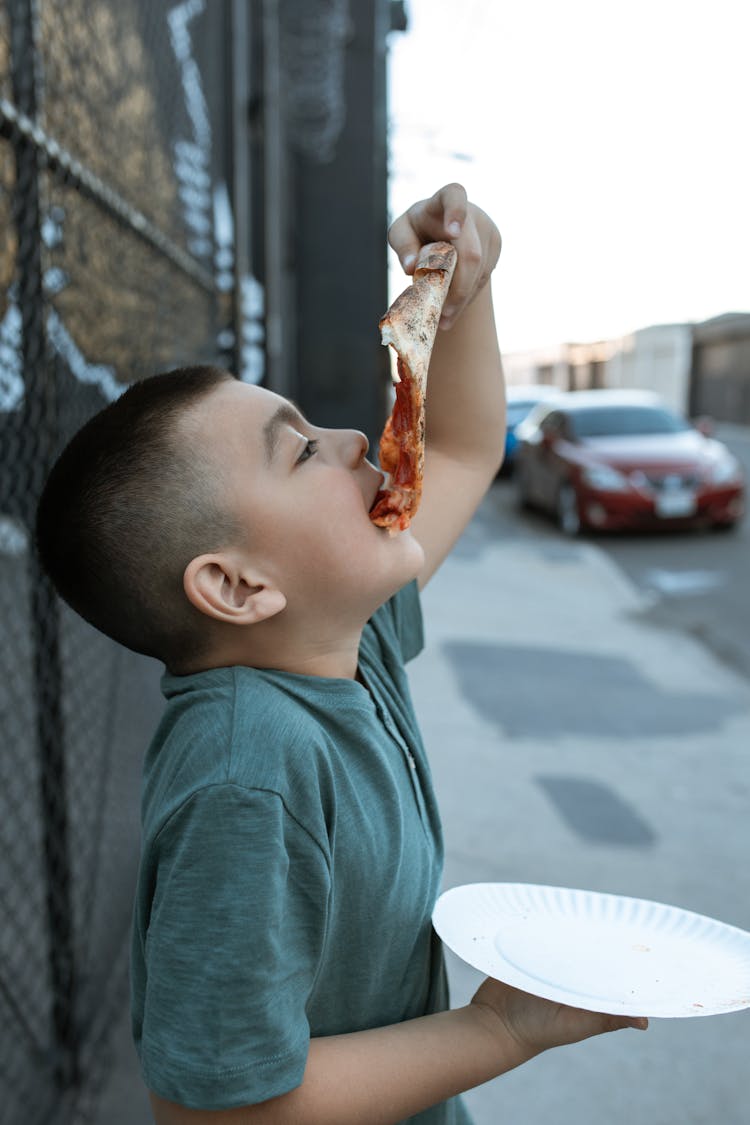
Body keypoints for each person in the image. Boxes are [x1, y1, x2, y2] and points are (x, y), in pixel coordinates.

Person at [35, 184, 646, 1125]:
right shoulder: (251, 776)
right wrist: (501, 1032)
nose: (354, 437)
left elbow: (467, 446)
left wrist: (463, 291)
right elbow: (218, 1112)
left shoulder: (347, 644)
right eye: (301, 451)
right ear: (238, 587)